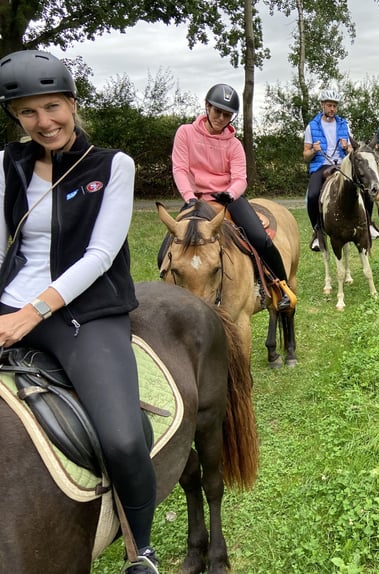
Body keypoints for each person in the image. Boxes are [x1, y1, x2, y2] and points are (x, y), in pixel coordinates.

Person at [0, 50, 158, 573]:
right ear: (16, 118)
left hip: (84, 312)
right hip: (10, 300)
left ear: (71, 102)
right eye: (28, 112)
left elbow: (101, 254)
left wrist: (32, 313)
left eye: (52, 107)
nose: (43, 122)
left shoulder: (112, 166)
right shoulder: (7, 165)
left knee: (120, 433)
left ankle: (143, 547)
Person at [172, 83, 295, 311]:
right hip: (196, 200)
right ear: (207, 107)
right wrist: (189, 197)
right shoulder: (185, 133)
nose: (220, 117)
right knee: (171, 243)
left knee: (260, 238)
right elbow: (180, 168)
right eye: (217, 111)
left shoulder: (234, 145)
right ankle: (170, 285)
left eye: (227, 114)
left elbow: (240, 178)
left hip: (228, 198)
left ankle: (281, 287)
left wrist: (230, 194)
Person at [303, 89, 379, 252]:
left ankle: (368, 223)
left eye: (334, 106)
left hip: (342, 165)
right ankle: (317, 231)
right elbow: (305, 155)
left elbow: (352, 150)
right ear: (322, 105)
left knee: (365, 187)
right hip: (321, 165)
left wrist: (347, 148)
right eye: (329, 105)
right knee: (312, 195)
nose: (332, 109)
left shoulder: (344, 124)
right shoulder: (312, 126)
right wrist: (314, 151)